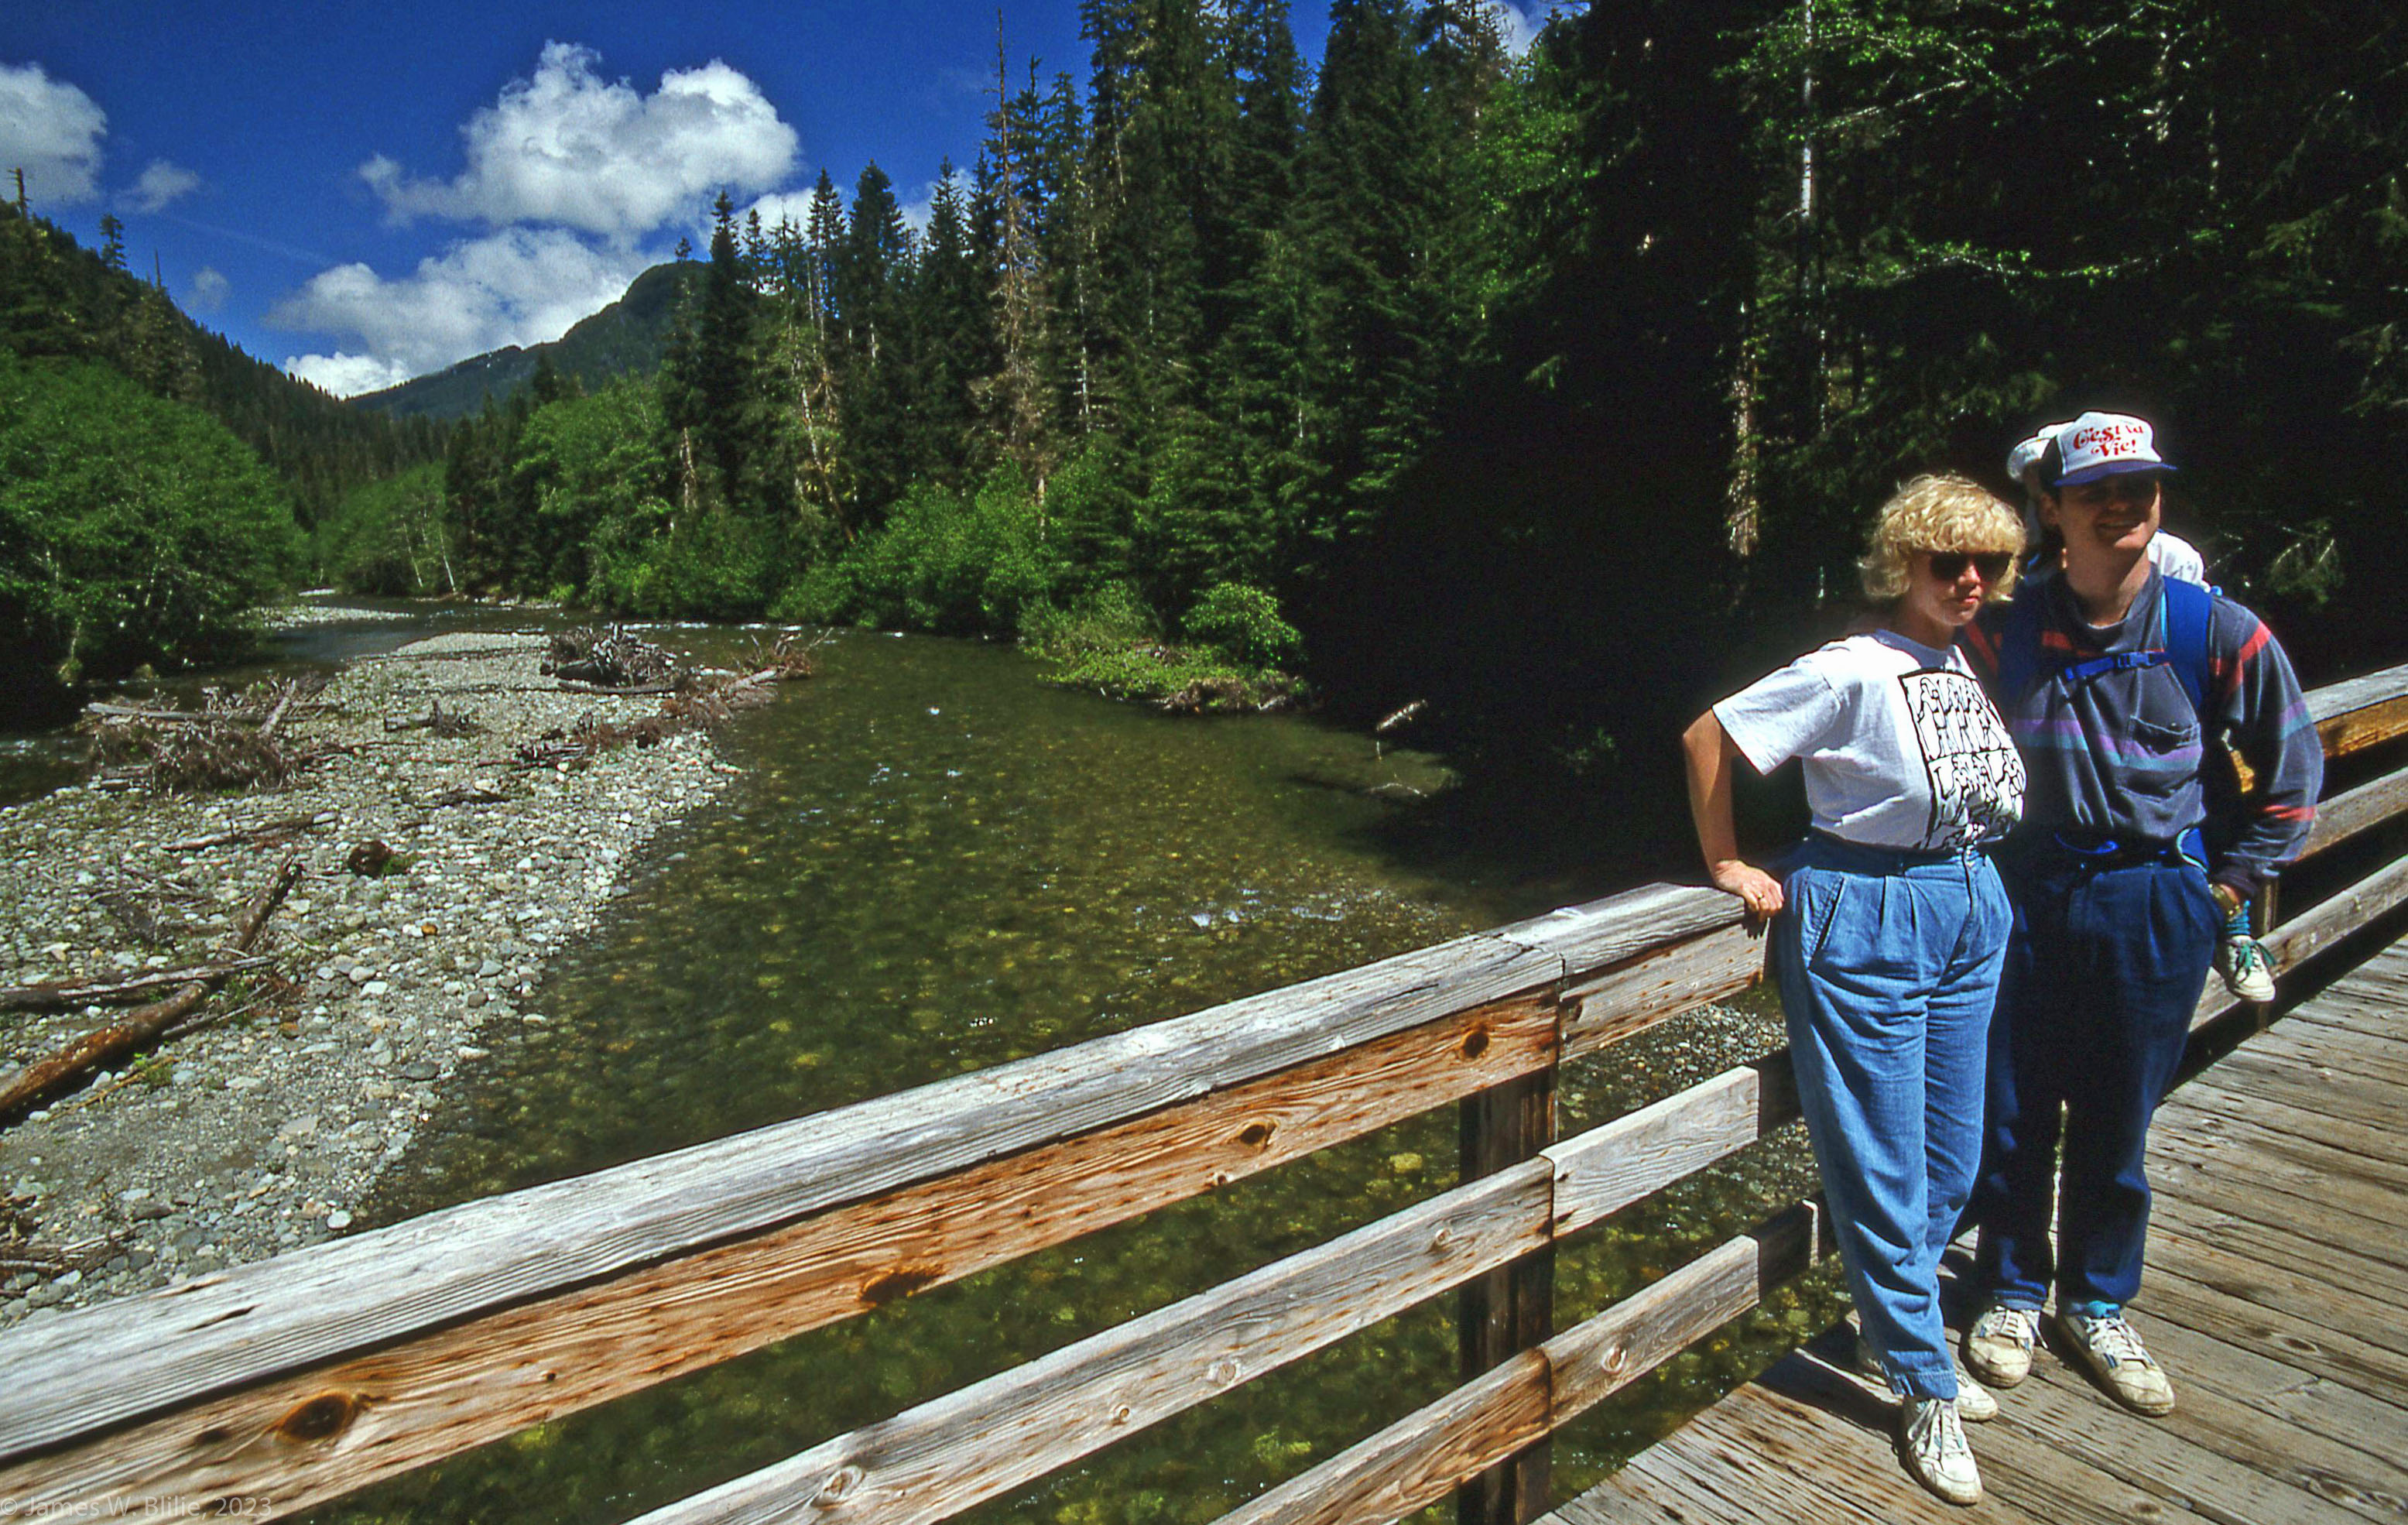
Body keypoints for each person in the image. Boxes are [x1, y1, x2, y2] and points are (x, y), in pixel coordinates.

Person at [1957, 411, 2321, 1417]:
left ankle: (2098, 1302)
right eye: (2095, 492)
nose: (2120, 506)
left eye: (2138, 489)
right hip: (2025, 888)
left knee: (2120, 1116)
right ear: (2052, 509)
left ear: (2158, 501)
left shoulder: (2214, 628)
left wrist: (2228, 888)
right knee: (2014, 1107)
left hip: (2158, 895)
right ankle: (2012, 1292)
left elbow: (2293, 769)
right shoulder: (2000, 630)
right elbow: (1922, 729)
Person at [1684, 475, 2029, 1506]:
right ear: (1903, 565)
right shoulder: (1851, 667)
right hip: (1869, 909)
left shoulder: (1957, 660)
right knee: (1881, 1163)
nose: (1970, 580)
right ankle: (1923, 1381)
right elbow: (1710, 734)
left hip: (1968, 901)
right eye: (1948, 562)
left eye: (1989, 563)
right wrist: (1727, 861)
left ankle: (1895, 1329)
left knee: (1952, 1153)